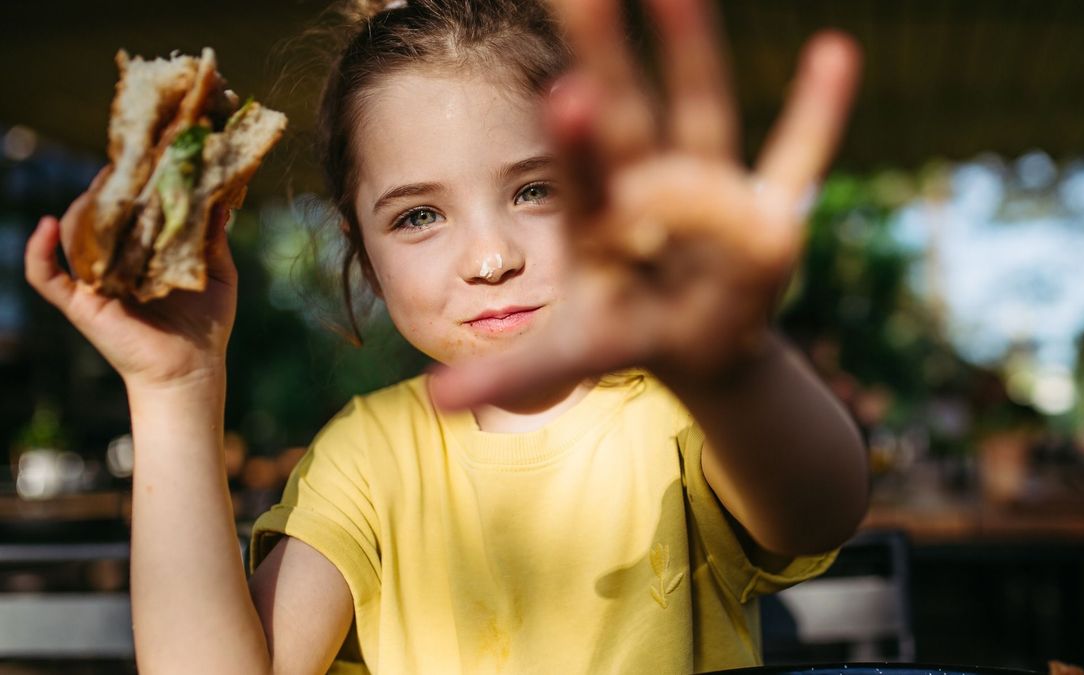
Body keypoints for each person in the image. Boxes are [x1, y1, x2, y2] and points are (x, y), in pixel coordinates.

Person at [23, 0, 868, 672]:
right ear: (362, 252)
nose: (492, 257)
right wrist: (175, 393)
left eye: (537, 190)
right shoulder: (367, 456)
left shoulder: (682, 413)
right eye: (420, 215)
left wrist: (735, 368)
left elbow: (818, 511)